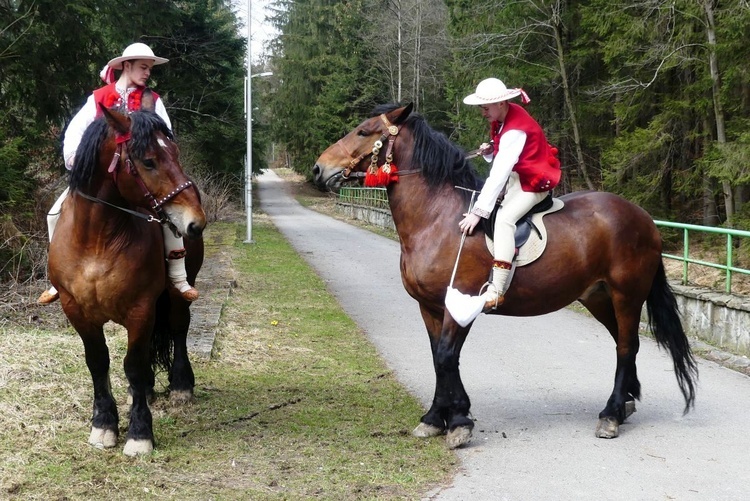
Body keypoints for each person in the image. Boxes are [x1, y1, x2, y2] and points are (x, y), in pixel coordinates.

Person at [38, 42, 199, 304]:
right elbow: (74, 132)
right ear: (126, 65)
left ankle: (179, 277)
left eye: (149, 68)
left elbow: (166, 135)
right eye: (143, 67)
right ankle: (56, 280)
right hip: (101, 179)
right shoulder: (100, 97)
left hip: (141, 178)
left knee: (169, 216)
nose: (147, 73)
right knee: (54, 213)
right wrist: (76, 160)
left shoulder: (152, 101)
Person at [458, 77, 561, 311]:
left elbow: (499, 173)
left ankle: (497, 290)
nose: (482, 112)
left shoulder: (515, 129)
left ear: (501, 104)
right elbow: (505, 153)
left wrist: (478, 212)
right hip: (519, 178)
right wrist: (490, 149)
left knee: (504, 220)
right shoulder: (504, 118)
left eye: (485, 107)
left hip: (533, 182)